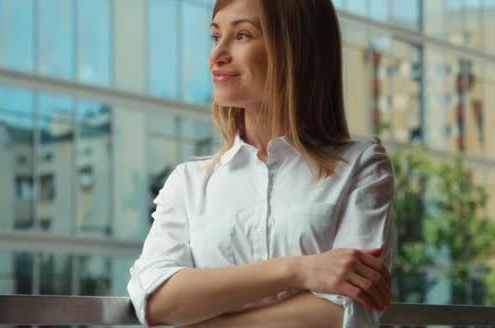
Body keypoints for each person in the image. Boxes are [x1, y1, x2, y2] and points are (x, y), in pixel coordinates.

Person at [128, 0, 394, 326]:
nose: (217, 55)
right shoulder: (188, 182)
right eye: (215, 37)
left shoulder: (360, 166)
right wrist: (298, 270)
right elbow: (156, 301)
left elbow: (348, 312)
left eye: (241, 35)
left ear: (295, 49)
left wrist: (204, 321)